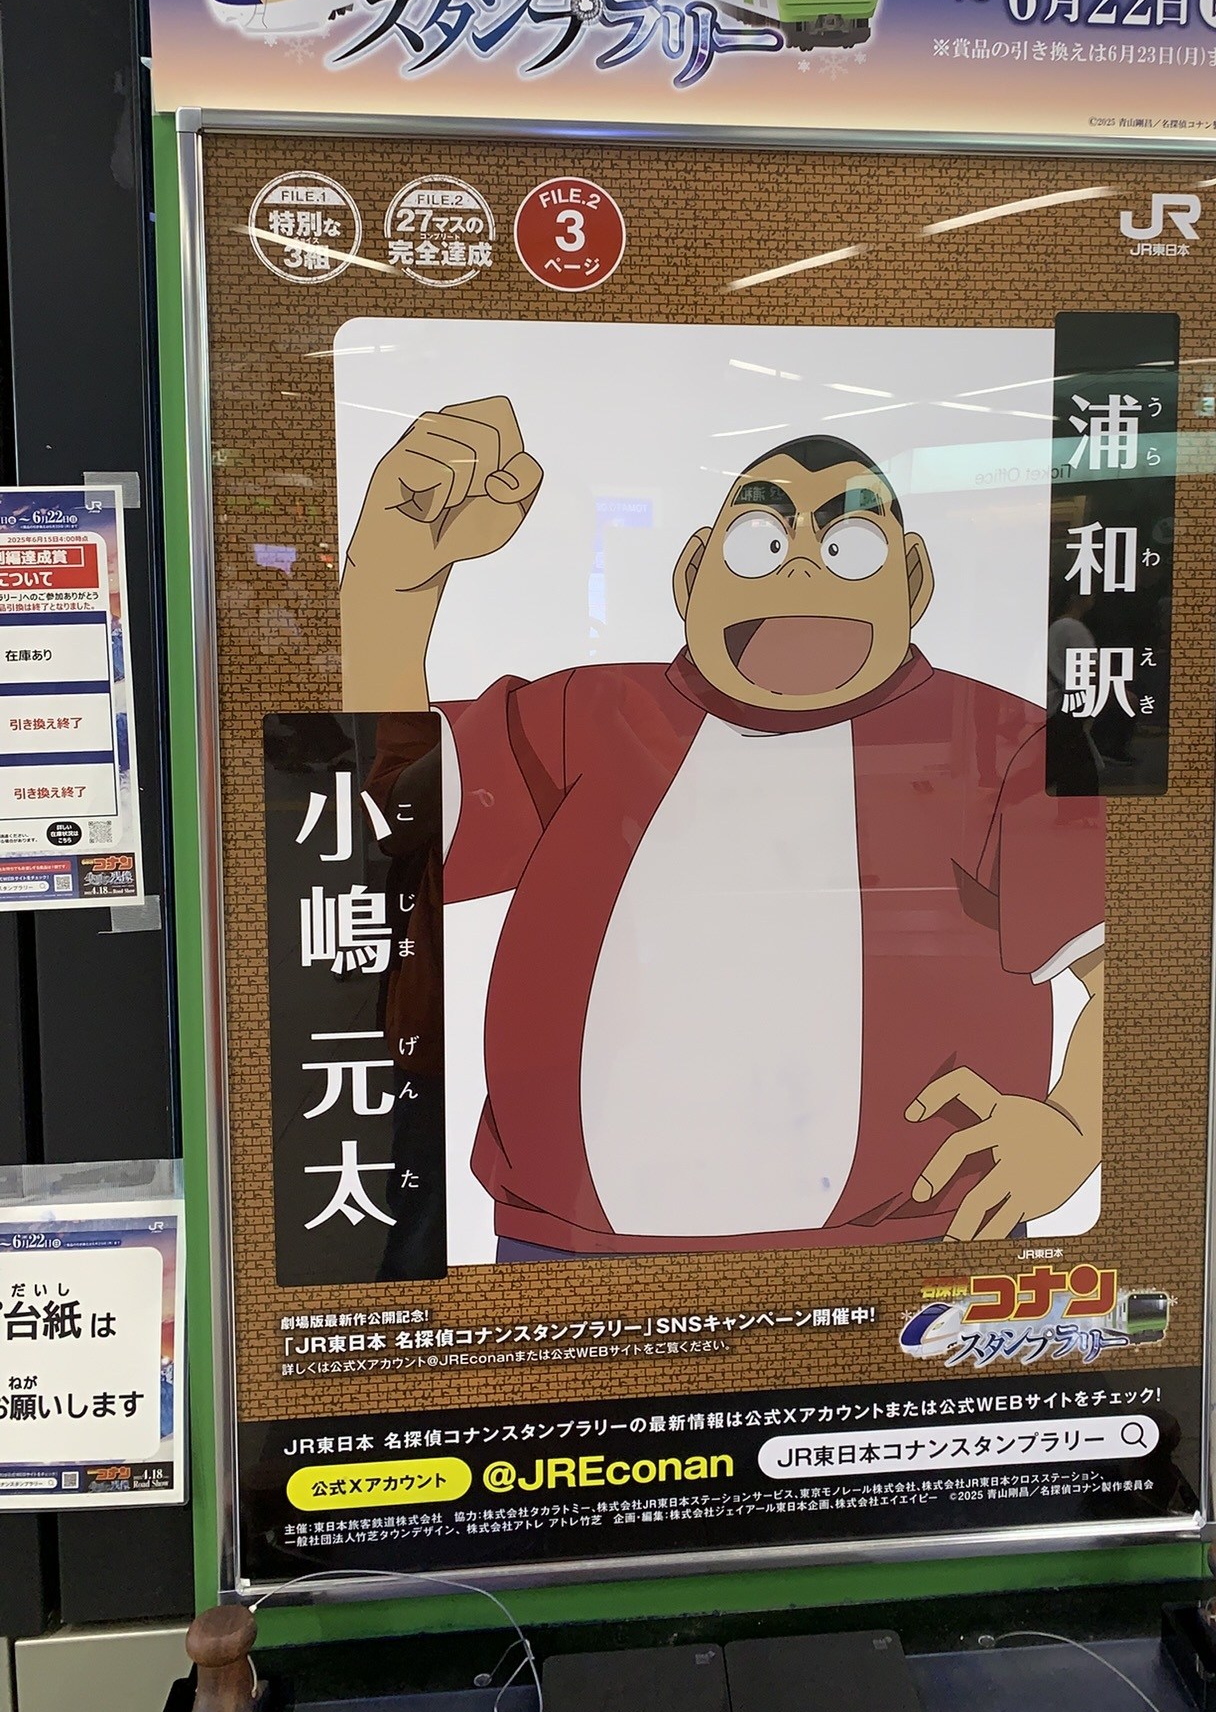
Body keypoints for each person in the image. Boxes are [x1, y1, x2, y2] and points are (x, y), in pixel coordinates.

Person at [342, 396, 1105, 1257]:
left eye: (849, 545)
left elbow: (1132, 964)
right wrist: (389, 585)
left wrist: (1076, 1126)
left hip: (916, 1241)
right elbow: (386, 817)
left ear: (915, 581)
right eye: (763, 542)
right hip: (577, 1247)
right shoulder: (584, 718)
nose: (803, 569)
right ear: (693, 573)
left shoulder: (1003, 745)